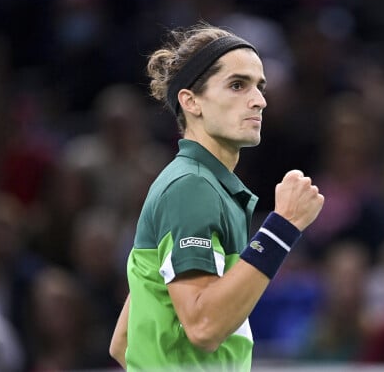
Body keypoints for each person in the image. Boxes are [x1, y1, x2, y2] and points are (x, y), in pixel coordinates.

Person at [109, 22, 324, 371]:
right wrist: (282, 227)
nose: (259, 100)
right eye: (237, 85)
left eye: (260, 86)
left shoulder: (199, 185)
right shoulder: (192, 188)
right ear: (191, 101)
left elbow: (126, 340)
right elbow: (204, 326)